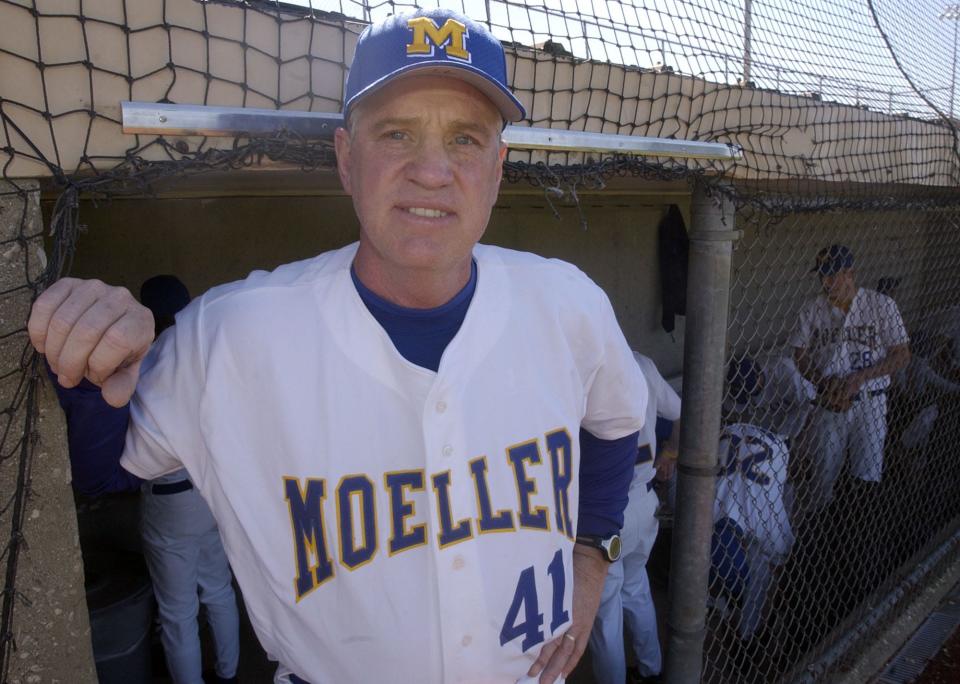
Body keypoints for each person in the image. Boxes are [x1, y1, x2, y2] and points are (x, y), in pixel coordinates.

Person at [27, 9, 648, 684]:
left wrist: (594, 553)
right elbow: (100, 470)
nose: (432, 172)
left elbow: (617, 420)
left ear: (498, 170)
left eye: (465, 139)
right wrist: (89, 363)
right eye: (396, 134)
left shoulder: (567, 303)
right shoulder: (234, 334)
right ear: (347, 161)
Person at [138, 275, 240, 684]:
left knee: (178, 612)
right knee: (218, 589)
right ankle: (230, 673)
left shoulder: (145, 360)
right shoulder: (206, 352)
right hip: (211, 490)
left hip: (168, 496)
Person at [789, 244, 910, 512]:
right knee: (822, 477)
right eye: (822, 275)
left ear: (850, 273)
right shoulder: (812, 309)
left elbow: (901, 355)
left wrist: (861, 378)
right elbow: (799, 354)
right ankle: (819, 532)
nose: (826, 282)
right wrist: (821, 382)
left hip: (870, 401)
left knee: (865, 475)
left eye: (832, 274)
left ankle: (859, 530)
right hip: (829, 402)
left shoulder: (880, 305)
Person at [588, 352, 680, 684]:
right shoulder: (641, 362)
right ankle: (651, 670)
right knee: (635, 588)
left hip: (606, 516)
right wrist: (669, 452)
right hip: (644, 503)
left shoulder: (582, 368)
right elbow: (684, 413)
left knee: (605, 611)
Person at [710, 423, 793, 642]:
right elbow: (780, 557)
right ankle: (746, 628)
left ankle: (727, 605)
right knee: (763, 567)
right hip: (726, 540)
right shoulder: (766, 508)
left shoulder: (732, 427)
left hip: (713, 520)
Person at [724, 353, 815, 445]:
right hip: (766, 433)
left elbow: (812, 402)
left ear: (758, 375)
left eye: (752, 392)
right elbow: (732, 411)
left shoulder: (785, 373)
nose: (749, 397)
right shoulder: (736, 388)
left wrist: (800, 434)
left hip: (796, 420)